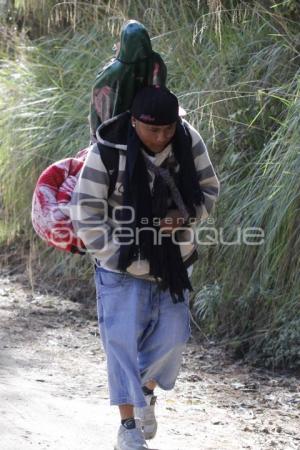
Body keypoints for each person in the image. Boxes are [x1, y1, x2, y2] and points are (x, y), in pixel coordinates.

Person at [70, 86, 220, 450]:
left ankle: (145, 395)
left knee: (173, 339)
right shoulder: (107, 151)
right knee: (121, 345)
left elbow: (209, 189)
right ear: (134, 123)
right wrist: (118, 251)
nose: (162, 137)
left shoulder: (187, 139)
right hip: (120, 268)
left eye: (168, 129)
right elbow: (85, 210)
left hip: (173, 261)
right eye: (152, 130)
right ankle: (128, 428)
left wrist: (184, 216)